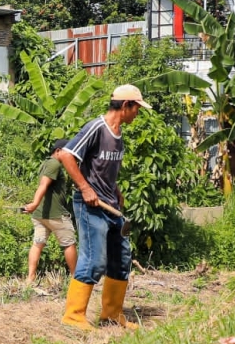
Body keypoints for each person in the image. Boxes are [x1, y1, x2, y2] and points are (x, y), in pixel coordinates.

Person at [54, 85, 149, 331]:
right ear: (126, 105)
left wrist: (115, 189)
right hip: (90, 207)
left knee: (121, 259)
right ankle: (73, 316)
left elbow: (103, 167)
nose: (138, 113)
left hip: (111, 206)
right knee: (94, 260)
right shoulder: (97, 128)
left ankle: (111, 314)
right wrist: (85, 188)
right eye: (137, 108)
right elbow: (66, 156)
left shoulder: (118, 134)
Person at [22, 138, 78, 292]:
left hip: (40, 215)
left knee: (37, 243)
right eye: (68, 152)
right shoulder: (54, 164)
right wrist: (33, 203)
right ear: (58, 151)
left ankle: (30, 278)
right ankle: (76, 278)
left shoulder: (46, 162)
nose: (70, 156)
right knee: (69, 243)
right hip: (55, 215)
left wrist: (35, 206)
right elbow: (43, 185)